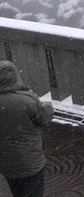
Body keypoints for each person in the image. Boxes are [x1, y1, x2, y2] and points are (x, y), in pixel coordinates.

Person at [0, 60, 54, 197]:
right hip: (30, 162)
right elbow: (43, 117)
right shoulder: (26, 101)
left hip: (6, 163)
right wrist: (47, 106)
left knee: (17, 192)